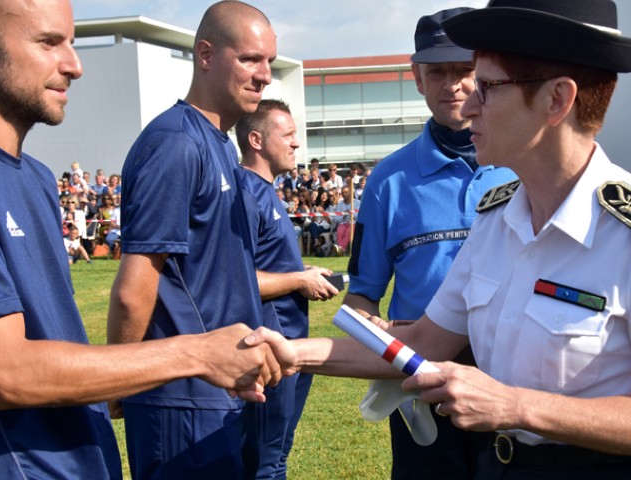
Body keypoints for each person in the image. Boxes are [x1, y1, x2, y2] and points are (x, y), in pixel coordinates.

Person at [253, 1, 631, 478]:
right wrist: (293, 352)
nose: (468, 102)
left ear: (557, 99)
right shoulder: (497, 219)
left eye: (488, 86)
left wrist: (515, 406)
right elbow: (422, 342)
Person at [0, 1, 284, 478]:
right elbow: (6, 373)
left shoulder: (33, 177)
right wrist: (196, 353)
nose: (75, 65)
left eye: (71, 43)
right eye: (49, 43)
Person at [106, 2, 280, 478]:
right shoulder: (176, 144)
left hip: (222, 389)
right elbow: (134, 287)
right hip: (180, 399)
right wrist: (121, 380)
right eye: (250, 59)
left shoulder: (220, 143)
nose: (264, 76)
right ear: (206, 54)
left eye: (269, 62)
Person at [342, 7, 516, 479]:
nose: (452, 84)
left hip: (512, 386)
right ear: (417, 79)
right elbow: (361, 297)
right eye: (436, 71)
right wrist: (382, 344)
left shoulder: (523, 165)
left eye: (463, 70)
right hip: (423, 386)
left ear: (484, 74)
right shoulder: (387, 181)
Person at [236, 99, 340, 479]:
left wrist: (303, 270)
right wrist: (299, 280)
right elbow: (233, 280)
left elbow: (264, 266)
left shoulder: (268, 191)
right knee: (264, 463)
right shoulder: (244, 195)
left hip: (292, 347)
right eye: (288, 135)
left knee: (277, 455)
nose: (297, 144)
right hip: (267, 352)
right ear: (256, 140)